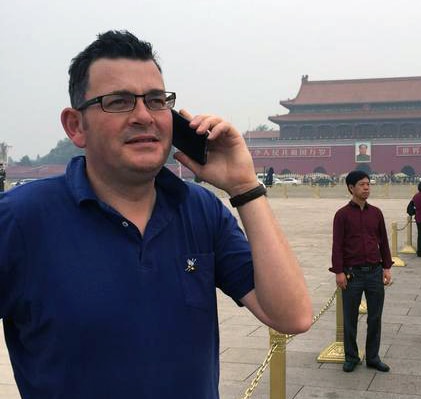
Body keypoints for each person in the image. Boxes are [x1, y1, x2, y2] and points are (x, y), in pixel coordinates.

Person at [0, 30, 312, 399]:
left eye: (156, 100)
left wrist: (245, 187)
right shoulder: (20, 219)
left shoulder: (200, 210)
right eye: (119, 102)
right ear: (76, 125)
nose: (144, 116)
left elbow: (292, 316)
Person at [331, 170, 393, 373]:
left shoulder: (376, 213)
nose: (366, 187)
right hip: (352, 274)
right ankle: (351, 356)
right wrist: (339, 272)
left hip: (374, 272)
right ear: (351, 187)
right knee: (350, 318)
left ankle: (373, 357)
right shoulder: (342, 215)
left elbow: (383, 241)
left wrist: (387, 267)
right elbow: (337, 246)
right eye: (362, 184)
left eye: (368, 184)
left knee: (375, 317)